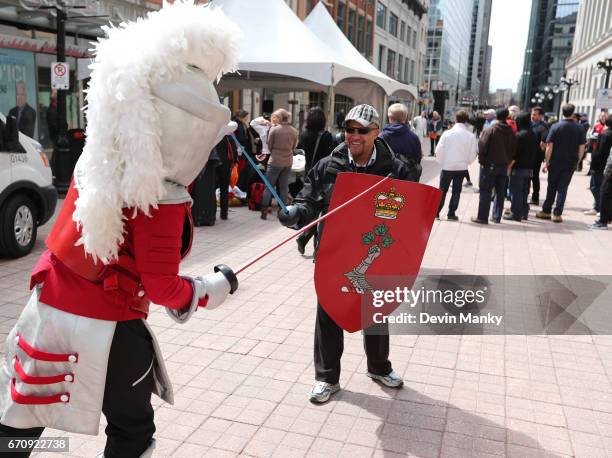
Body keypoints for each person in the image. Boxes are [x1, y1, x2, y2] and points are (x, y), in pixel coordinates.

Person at [0, 4, 240, 457]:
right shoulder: (160, 195)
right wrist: (211, 288)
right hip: (111, 326)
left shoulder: (98, 159)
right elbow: (163, 286)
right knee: (132, 431)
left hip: (49, 308)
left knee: (23, 416)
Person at [277, 104, 420, 403]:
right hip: (335, 252)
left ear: (376, 132)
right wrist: (296, 214)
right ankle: (327, 378)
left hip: (376, 254)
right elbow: (309, 200)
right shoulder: (329, 165)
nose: (354, 136)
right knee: (329, 312)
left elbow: (412, 206)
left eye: (362, 131)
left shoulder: (395, 168)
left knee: (375, 312)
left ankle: (379, 367)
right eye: (349, 129)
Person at [295, 107, 337, 254]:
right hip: (324, 174)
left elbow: (299, 148)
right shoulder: (327, 136)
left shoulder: (305, 134)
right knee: (323, 211)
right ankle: (313, 246)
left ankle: (305, 237)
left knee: (313, 208)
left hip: (309, 173)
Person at [536, 104, 586, 223]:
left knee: (551, 187)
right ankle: (557, 214)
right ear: (573, 113)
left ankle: (546, 211)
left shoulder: (555, 126)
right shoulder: (579, 128)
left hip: (555, 161)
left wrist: (546, 162)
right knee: (563, 188)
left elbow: (549, 146)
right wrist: (578, 161)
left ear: (562, 112)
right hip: (570, 162)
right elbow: (582, 147)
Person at [471, 108, 516, 224]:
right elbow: (513, 150)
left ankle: (482, 217)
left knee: (486, 191)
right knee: (500, 192)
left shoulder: (491, 129)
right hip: (503, 166)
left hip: (489, 165)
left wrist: (482, 161)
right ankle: (496, 216)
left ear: (496, 116)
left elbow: (482, 146)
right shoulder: (511, 131)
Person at [434, 110, 478, 220]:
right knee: (456, 191)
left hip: (447, 166)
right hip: (461, 167)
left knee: (442, 190)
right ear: (466, 120)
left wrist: (442, 161)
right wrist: (467, 162)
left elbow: (438, 150)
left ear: (455, 119)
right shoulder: (471, 136)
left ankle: (436, 213)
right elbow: (474, 153)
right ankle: (451, 213)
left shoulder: (447, 133)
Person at [260, 108, 298, 219]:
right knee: (284, 187)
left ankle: (264, 212)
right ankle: (282, 212)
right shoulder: (294, 131)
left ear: (280, 118)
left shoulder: (275, 130)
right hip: (288, 161)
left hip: (275, 160)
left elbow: (269, 144)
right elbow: (294, 146)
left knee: (269, 187)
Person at [505, 112, 538, 221]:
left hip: (518, 168)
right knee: (524, 191)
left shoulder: (519, 135)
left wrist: (509, 167)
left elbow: (515, 154)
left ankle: (516, 213)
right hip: (529, 167)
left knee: (516, 191)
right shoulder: (533, 134)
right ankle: (524, 212)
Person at [380, 103, 422, 172]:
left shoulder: (382, 136)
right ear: (405, 118)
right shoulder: (414, 138)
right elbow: (418, 159)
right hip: (407, 178)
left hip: (386, 178)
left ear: (389, 118)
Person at [588, 114, 612, 226]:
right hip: (606, 165)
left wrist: (592, 166)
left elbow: (598, 152)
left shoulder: (604, 135)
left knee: (598, 188)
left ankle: (601, 210)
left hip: (602, 166)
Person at [591, 136, 612, 230]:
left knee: (604, 195)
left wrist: (608, 171)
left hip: (610, 173)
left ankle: (603, 222)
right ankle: (606, 218)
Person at [529, 106, 548, 205]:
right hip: (528, 156)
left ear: (540, 116)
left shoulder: (543, 127)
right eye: (532, 114)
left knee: (534, 176)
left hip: (536, 157)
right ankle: (525, 195)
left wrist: (543, 143)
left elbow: (545, 140)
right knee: (528, 176)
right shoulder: (530, 125)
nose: (532, 116)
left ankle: (535, 197)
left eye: (535, 115)